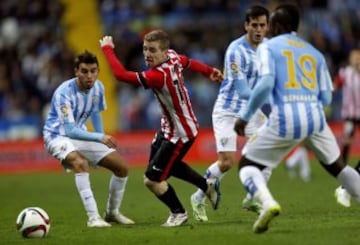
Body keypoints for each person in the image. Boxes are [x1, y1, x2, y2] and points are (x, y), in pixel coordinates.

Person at [233, 4, 360, 233]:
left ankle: (267, 203)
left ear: (279, 25)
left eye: (270, 23)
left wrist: (244, 116)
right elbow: (326, 97)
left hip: (285, 117)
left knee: (246, 165)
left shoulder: (268, 47)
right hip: (315, 117)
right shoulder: (315, 53)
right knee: (338, 167)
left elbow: (265, 85)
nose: (268, 28)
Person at [99, 29, 223, 227]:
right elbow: (188, 61)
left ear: (164, 52)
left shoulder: (158, 75)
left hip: (181, 134)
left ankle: (179, 213)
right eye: (145, 49)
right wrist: (209, 71)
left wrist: (107, 49)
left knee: (152, 179)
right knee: (166, 167)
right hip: (169, 128)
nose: (148, 54)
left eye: (153, 50)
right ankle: (206, 185)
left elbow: (121, 75)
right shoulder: (172, 57)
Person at [190, 5, 271, 222]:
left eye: (262, 25)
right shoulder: (235, 50)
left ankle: (252, 197)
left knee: (269, 151)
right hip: (228, 110)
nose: (258, 29)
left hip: (252, 111)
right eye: (254, 25)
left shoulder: (269, 49)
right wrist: (270, 103)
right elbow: (243, 90)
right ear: (246, 25)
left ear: (267, 26)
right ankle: (197, 197)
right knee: (226, 162)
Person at [43, 51, 135, 228]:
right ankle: (93, 218)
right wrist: (100, 136)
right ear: (76, 71)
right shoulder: (64, 93)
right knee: (80, 163)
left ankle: (112, 213)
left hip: (81, 133)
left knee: (121, 167)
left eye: (93, 71)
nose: (89, 76)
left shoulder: (98, 87)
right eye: (84, 71)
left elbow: (95, 112)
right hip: (57, 136)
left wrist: (102, 143)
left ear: (98, 71)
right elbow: (69, 130)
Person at [334, 48, 360, 207]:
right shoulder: (346, 73)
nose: (357, 60)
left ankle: (345, 185)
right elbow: (335, 85)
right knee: (347, 143)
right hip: (350, 114)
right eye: (354, 57)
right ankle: (343, 179)